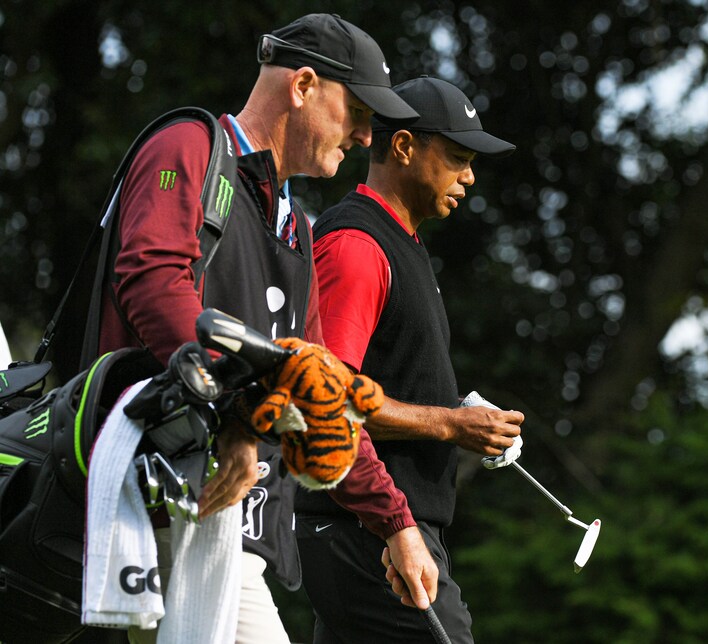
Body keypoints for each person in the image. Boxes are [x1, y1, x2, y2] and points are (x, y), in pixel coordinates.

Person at [93, 13, 438, 642]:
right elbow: (150, 280)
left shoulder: (299, 232)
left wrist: (396, 523)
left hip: (221, 533)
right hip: (152, 504)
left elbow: (320, 397)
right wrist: (236, 415)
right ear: (303, 86)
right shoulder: (189, 148)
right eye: (358, 110)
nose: (366, 136)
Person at [296, 76, 524, 643]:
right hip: (367, 529)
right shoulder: (357, 246)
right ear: (403, 147)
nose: (469, 177)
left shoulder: (403, 245)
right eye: (457, 158)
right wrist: (449, 424)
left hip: (378, 528)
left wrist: (458, 411)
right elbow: (325, 396)